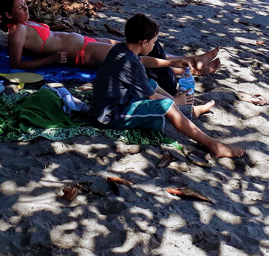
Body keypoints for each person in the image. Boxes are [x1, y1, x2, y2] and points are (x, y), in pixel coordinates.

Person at [90, 13, 245, 160]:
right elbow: (152, 96)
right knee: (168, 104)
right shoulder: (131, 65)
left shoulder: (121, 49)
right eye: (153, 42)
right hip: (110, 116)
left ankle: (189, 111)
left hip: (110, 105)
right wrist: (175, 100)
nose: (154, 45)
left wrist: (173, 62)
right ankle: (213, 145)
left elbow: (143, 60)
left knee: (151, 83)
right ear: (144, 42)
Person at [0, 0, 220, 78]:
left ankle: (191, 60)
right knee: (133, 59)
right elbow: (16, 63)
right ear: (8, 14)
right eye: (20, 8)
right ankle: (189, 69)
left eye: (25, 5)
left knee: (131, 47)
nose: (26, 10)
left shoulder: (24, 23)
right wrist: (50, 60)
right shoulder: (17, 30)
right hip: (83, 53)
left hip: (86, 43)